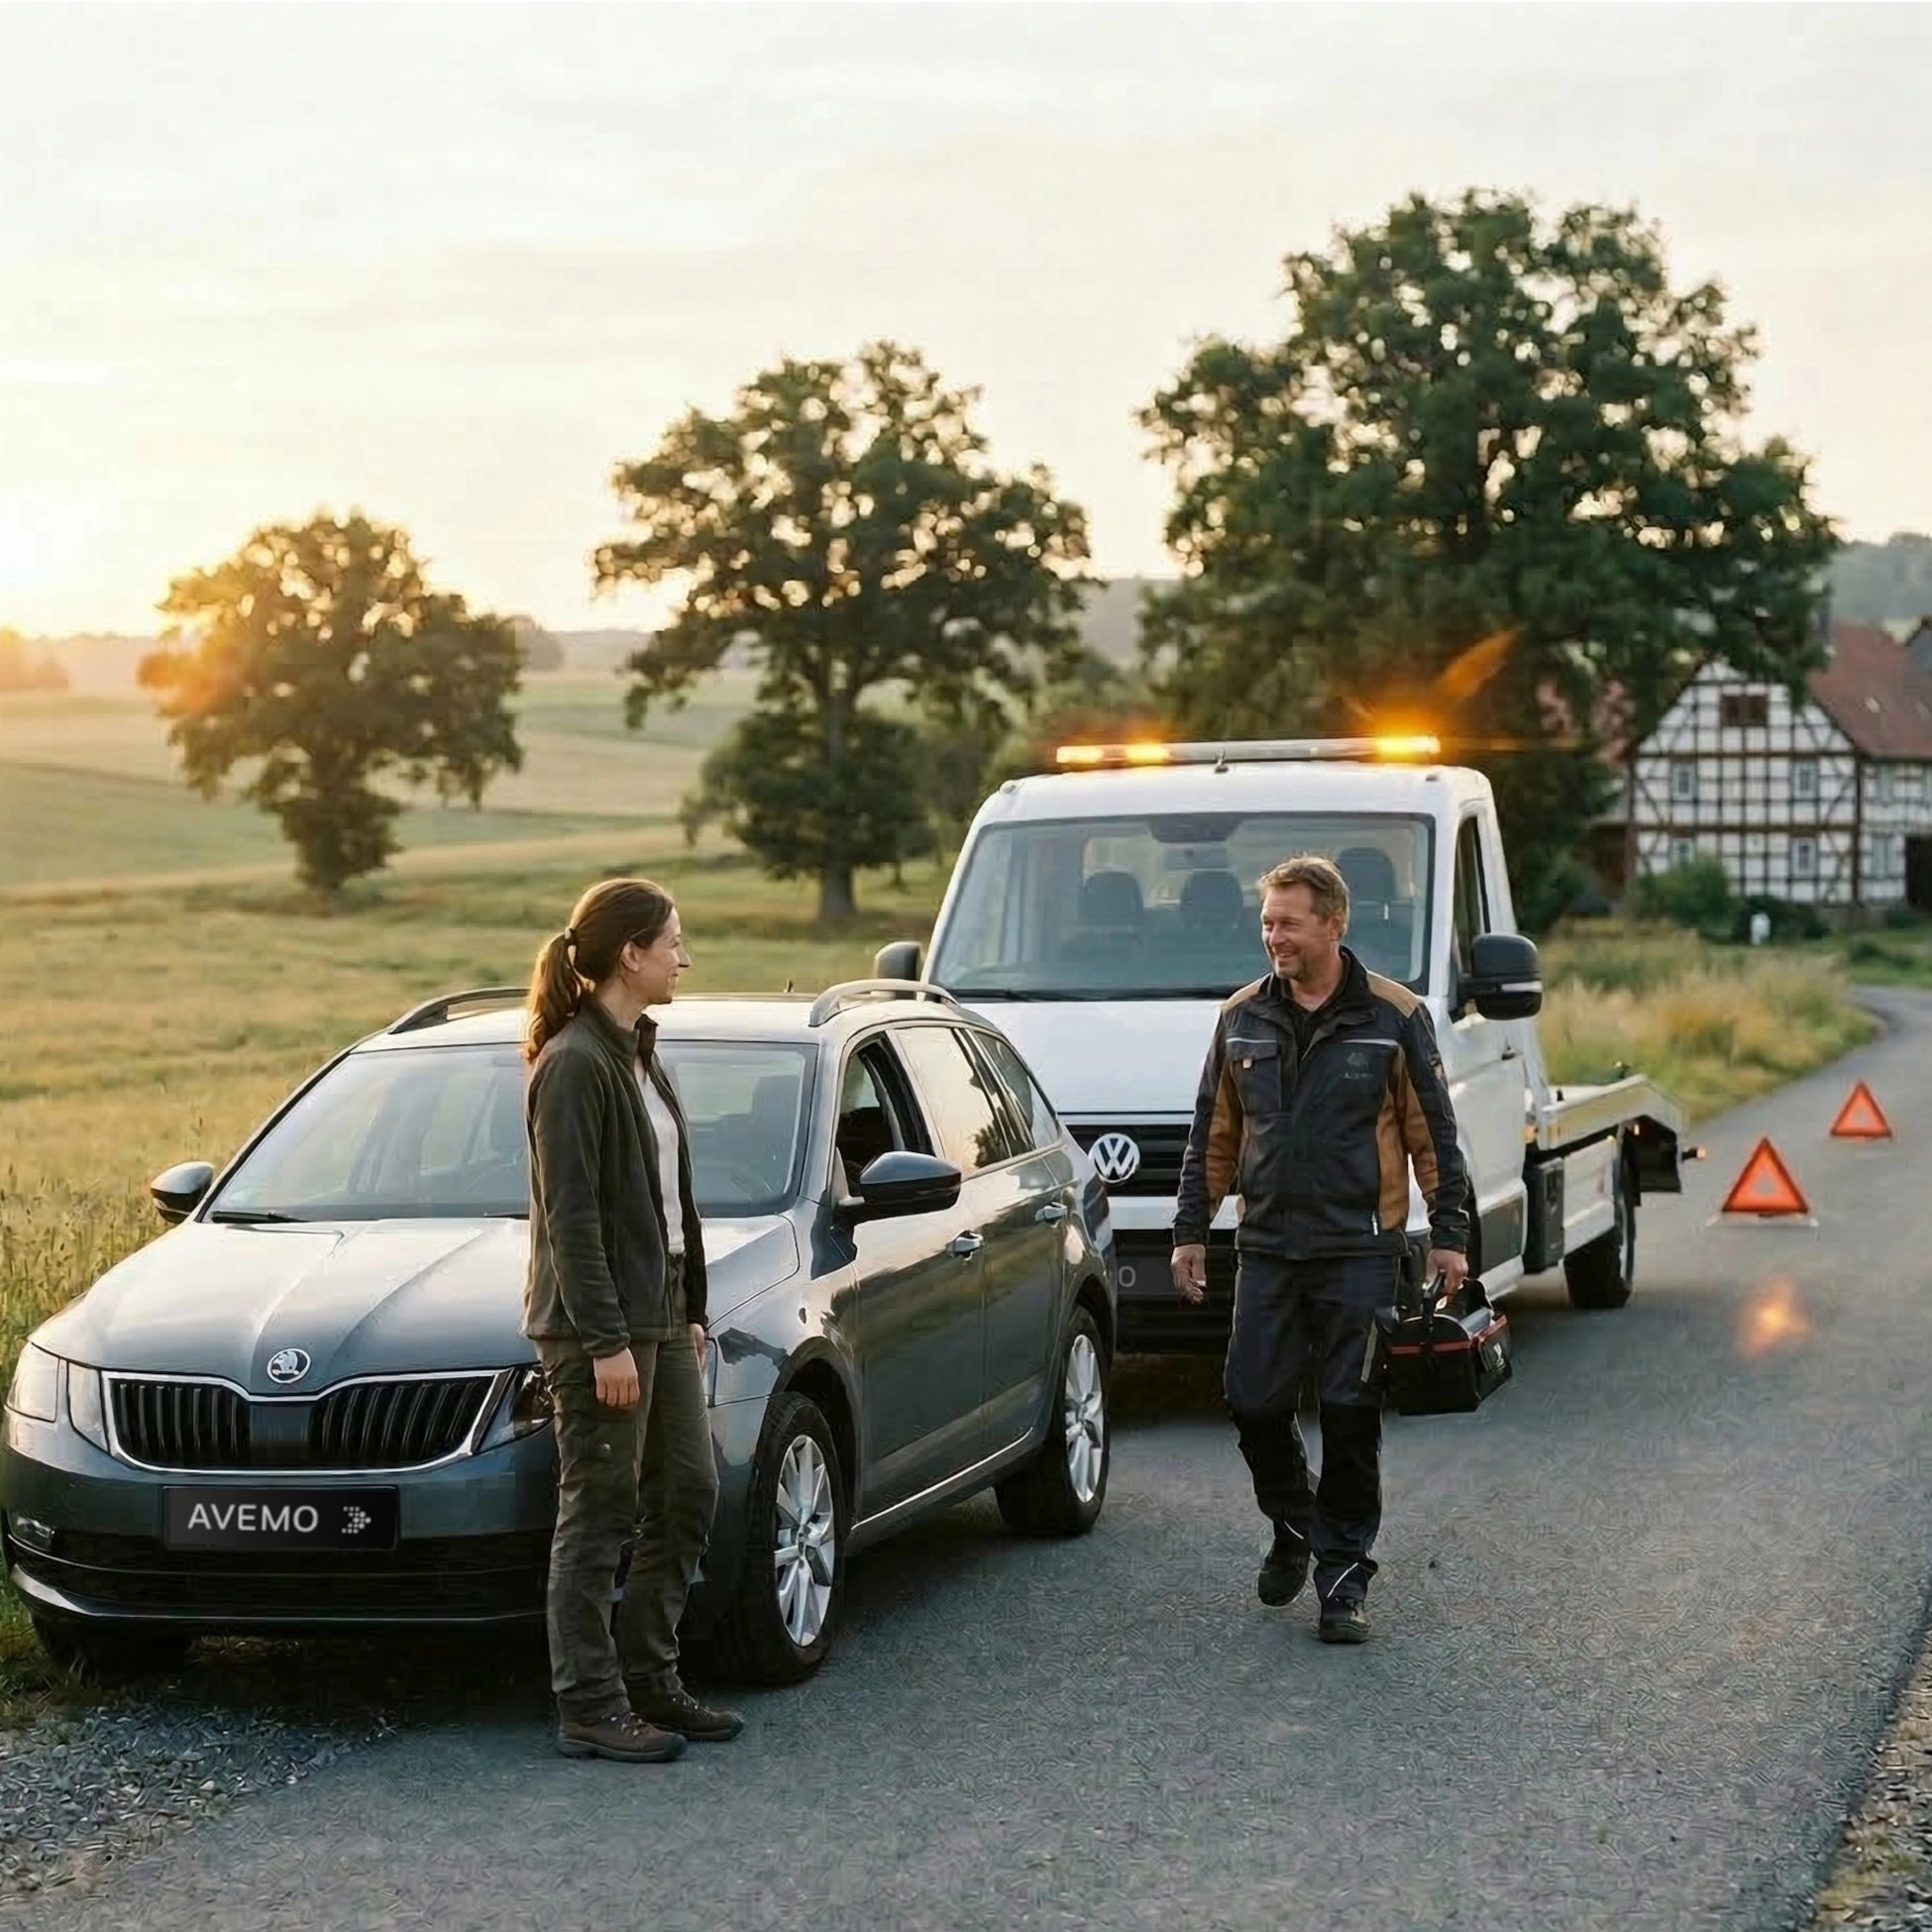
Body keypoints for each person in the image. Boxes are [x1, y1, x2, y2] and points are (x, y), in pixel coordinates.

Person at [1170, 854, 1470, 1645]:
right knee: (1253, 1399)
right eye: (1267, 922)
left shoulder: (1393, 1016)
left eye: (1289, 923)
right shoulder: (1241, 1016)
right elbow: (1215, 1133)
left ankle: (1342, 1580)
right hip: (1267, 1245)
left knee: (1348, 1410)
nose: (1274, 937)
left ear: (1334, 924)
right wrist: (1191, 1231)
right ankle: (1295, 1520)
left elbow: (1432, 1135)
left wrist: (1450, 1235)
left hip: (1360, 1249)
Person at [522, 877, 743, 1760]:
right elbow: (569, 1219)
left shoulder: (641, 1054)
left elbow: (668, 1199)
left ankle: (652, 1679)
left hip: (658, 1318)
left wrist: (686, 1309)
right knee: (601, 1511)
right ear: (631, 954)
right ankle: (589, 1704)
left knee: (689, 1490)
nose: (683, 959)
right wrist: (607, 1341)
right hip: (596, 1331)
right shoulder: (573, 1065)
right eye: (674, 943)